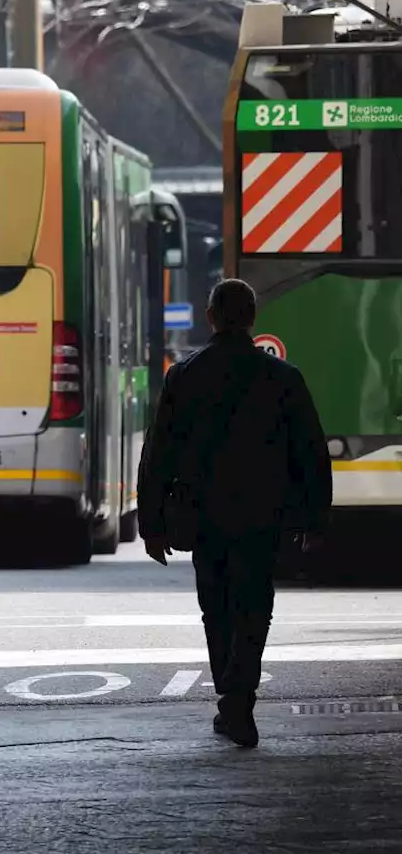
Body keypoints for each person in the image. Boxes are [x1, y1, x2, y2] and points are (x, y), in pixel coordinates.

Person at [137, 278, 331, 748]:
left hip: (204, 514)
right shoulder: (283, 377)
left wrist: (152, 523)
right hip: (263, 513)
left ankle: (232, 697)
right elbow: (310, 451)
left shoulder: (184, 376)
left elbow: (158, 452)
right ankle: (239, 698)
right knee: (254, 606)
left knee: (216, 606)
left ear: (211, 318)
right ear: (252, 319)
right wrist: (314, 517)